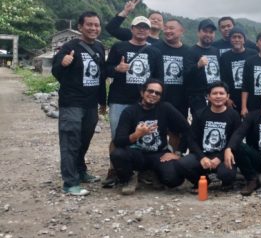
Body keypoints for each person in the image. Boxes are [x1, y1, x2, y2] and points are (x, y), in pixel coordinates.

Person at [52, 11, 107, 196]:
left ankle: (80, 171)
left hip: (91, 104)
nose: (93, 28)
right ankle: (70, 182)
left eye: (96, 25)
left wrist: (103, 101)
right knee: (70, 141)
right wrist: (63, 63)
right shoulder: (69, 46)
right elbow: (55, 71)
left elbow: (101, 77)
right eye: (89, 24)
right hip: (72, 102)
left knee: (84, 140)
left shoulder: (99, 47)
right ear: (80, 27)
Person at [110, 79, 193, 195]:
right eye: (150, 91)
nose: (153, 94)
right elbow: (118, 141)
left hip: (159, 153)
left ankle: (154, 173)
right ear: (142, 92)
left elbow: (187, 129)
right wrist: (136, 135)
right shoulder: (130, 111)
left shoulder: (166, 108)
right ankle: (130, 178)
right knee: (118, 154)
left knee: (174, 180)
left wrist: (178, 153)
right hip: (136, 153)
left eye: (157, 93)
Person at [105, 16, 163, 139]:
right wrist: (117, 69)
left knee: (140, 139)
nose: (141, 30)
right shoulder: (119, 47)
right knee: (117, 137)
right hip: (119, 100)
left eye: (145, 28)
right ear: (132, 29)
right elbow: (106, 70)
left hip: (144, 103)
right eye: (138, 27)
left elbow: (159, 78)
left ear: (149, 31)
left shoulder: (155, 52)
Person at [177, 81, 242, 191]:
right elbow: (191, 140)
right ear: (208, 96)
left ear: (227, 96)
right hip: (203, 155)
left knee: (226, 174)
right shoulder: (200, 114)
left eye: (221, 93)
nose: (218, 96)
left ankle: (226, 183)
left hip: (223, 156)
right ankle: (203, 181)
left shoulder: (234, 115)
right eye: (214, 93)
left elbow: (235, 140)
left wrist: (219, 158)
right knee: (182, 164)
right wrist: (202, 157)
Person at [155, 18, 191, 117]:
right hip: (158, 100)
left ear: (181, 31)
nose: (167, 31)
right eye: (166, 28)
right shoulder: (154, 48)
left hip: (182, 102)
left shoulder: (189, 51)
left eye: (171, 28)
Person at [185, 19, 221, 117]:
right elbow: (186, 76)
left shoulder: (216, 51)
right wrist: (198, 65)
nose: (208, 34)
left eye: (211, 32)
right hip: (198, 98)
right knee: (200, 123)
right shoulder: (191, 51)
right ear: (198, 33)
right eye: (205, 31)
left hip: (216, 95)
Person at [219, 27, 257, 110]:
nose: (237, 40)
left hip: (251, 97)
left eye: (239, 37)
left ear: (244, 40)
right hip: (233, 100)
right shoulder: (224, 57)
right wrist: (227, 98)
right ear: (230, 40)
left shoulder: (253, 54)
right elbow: (222, 79)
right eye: (234, 37)